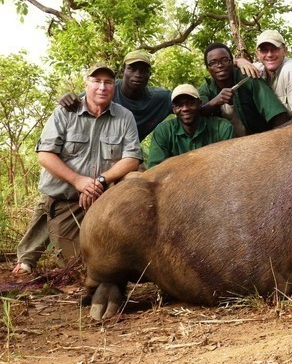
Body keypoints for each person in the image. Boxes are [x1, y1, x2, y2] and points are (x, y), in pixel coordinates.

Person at [12, 64, 142, 276]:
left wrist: (98, 181)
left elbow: (132, 159)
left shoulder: (125, 116)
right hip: (67, 198)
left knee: (136, 178)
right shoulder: (65, 112)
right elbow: (45, 155)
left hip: (102, 197)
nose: (102, 87)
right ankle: (27, 257)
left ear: (114, 87)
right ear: (86, 85)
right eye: (96, 81)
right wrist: (78, 181)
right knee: (78, 266)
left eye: (108, 82)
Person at [59, 50, 172, 141]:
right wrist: (67, 99)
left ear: (149, 74)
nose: (138, 75)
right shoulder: (107, 89)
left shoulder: (161, 98)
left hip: (129, 151)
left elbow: (186, 102)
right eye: (132, 69)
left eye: (143, 71)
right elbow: (77, 101)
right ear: (123, 70)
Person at [199, 42, 291, 135]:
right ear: (207, 68)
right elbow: (195, 115)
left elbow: (278, 116)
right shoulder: (205, 89)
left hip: (259, 140)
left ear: (232, 62)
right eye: (213, 63)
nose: (220, 65)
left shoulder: (249, 79)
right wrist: (214, 102)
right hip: (224, 145)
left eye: (225, 60)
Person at [237, 29, 292, 117]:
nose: (269, 54)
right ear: (257, 54)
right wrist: (241, 61)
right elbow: (231, 62)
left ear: (285, 51)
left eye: (274, 49)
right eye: (264, 50)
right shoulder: (259, 69)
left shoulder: (291, 72)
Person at [147, 84, 234, 168]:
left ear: (200, 104)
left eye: (191, 103)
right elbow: (155, 168)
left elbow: (230, 163)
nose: (185, 109)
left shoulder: (222, 128)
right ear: (173, 109)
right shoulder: (164, 131)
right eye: (179, 105)